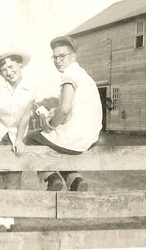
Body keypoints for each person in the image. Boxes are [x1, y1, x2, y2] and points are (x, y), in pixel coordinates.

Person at [26, 36, 102, 191]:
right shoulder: (83, 75)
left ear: (73, 56)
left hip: (76, 137)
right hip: (91, 136)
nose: (58, 61)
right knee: (56, 146)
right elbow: (71, 109)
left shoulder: (70, 75)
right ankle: (75, 180)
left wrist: (51, 125)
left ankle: (51, 178)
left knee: (31, 138)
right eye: (54, 57)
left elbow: (65, 109)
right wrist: (57, 113)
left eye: (62, 56)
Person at [0, 42, 35, 232]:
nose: (8, 72)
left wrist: (20, 139)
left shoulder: (30, 86)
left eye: (11, 66)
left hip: (14, 132)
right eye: (3, 69)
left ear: (20, 64)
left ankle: (10, 220)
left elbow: (26, 115)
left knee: (13, 177)